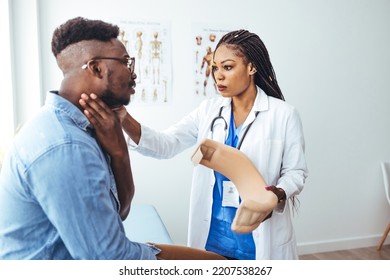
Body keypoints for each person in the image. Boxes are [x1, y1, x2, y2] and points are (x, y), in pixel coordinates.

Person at [0, 16, 225, 260]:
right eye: (126, 62)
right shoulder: (66, 145)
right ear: (96, 68)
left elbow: (120, 212)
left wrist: (120, 153)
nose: (133, 73)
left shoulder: (86, 128)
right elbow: (111, 262)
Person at [81, 29, 308, 260]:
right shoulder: (209, 110)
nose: (218, 76)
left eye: (227, 67)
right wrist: (123, 118)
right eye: (215, 68)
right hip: (215, 236)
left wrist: (276, 194)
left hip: (260, 237)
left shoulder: (283, 114)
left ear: (251, 67)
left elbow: (295, 172)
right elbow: (166, 144)